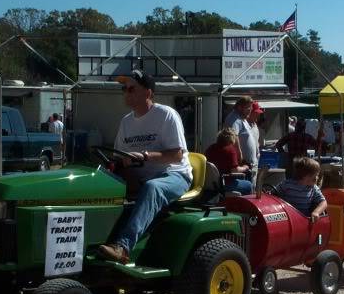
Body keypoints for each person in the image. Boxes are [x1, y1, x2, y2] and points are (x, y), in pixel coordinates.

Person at [97, 70, 192, 263]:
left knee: (153, 187)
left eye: (132, 89)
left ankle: (123, 247)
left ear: (148, 93)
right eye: (124, 89)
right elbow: (118, 157)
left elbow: (177, 155)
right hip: (140, 177)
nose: (126, 93)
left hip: (173, 175)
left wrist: (144, 156)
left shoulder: (166, 115)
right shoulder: (126, 122)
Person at [271, 157, 327, 221]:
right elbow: (272, 195)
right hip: (287, 219)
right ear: (304, 175)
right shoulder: (287, 184)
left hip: (303, 220)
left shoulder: (313, 188)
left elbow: (323, 202)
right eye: (314, 176)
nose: (317, 178)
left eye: (317, 175)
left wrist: (316, 212)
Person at [205, 128, 253, 195]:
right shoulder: (230, 150)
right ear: (232, 139)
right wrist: (245, 167)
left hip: (210, 184)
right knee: (249, 185)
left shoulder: (210, 148)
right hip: (224, 183)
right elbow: (234, 170)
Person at [224, 96, 257, 183]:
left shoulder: (242, 118)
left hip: (249, 164)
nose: (250, 109)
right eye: (248, 107)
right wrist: (240, 156)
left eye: (251, 107)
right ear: (239, 107)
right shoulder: (234, 119)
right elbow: (233, 137)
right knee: (247, 192)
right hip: (243, 165)